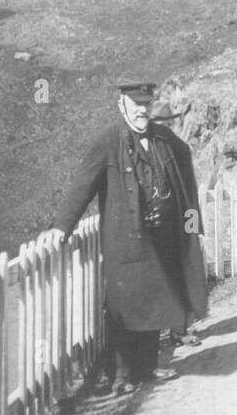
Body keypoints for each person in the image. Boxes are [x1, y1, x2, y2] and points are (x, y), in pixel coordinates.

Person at [49, 80, 208, 395]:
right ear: (121, 106)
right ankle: (120, 376)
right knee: (124, 308)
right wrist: (60, 227)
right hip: (126, 241)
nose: (142, 111)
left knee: (154, 303)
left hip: (160, 240)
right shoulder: (108, 142)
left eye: (146, 105)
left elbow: (187, 174)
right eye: (135, 105)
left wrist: (191, 227)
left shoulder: (164, 139)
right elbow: (83, 186)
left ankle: (146, 369)